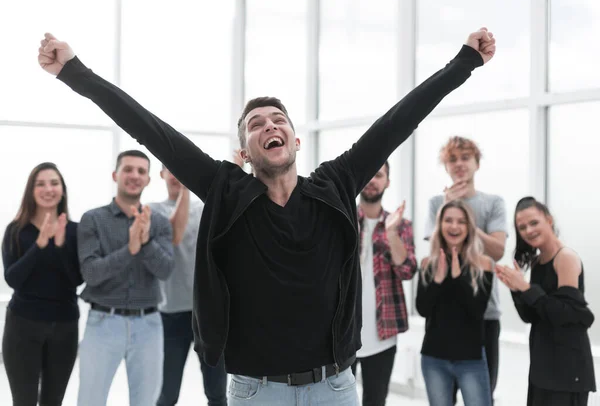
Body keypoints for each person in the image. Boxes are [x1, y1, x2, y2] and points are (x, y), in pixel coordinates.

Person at [37, 28, 496, 405]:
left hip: (334, 387)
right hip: (256, 391)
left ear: (295, 141)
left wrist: (464, 62)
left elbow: (399, 121)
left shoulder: (334, 183)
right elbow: (149, 127)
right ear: (245, 151)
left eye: (278, 119)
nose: (268, 125)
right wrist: (74, 71)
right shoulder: (225, 189)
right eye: (256, 123)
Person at [75, 150, 175, 406]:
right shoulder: (92, 219)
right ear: (115, 175)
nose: (134, 175)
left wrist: (145, 243)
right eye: (128, 169)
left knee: (145, 402)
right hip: (102, 324)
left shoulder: (160, 223)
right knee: (90, 401)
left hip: (149, 326)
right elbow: (91, 274)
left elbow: (165, 270)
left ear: (148, 180)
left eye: (141, 171)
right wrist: (130, 250)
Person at [424, 136, 506, 403]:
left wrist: (463, 216)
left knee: (483, 394)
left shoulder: (493, 202)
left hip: (484, 313)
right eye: (452, 159)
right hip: (443, 313)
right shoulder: (437, 203)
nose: (459, 164)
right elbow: (436, 252)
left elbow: (497, 250)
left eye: (465, 158)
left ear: (476, 163)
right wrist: (447, 208)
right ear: (445, 166)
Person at [496, 197, 595, 406]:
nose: (528, 230)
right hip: (543, 368)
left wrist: (526, 288)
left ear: (549, 220)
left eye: (534, 223)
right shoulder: (537, 262)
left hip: (567, 370)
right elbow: (532, 316)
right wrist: (516, 290)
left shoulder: (565, 257)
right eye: (522, 227)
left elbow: (570, 315)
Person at [2, 162, 82, 406]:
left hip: (64, 327)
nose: (48, 189)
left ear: (63, 190)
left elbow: (76, 280)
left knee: (53, 401)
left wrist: (58, 246)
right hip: (23, 327)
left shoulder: (75, 231)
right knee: (23, 400)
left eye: (54, 183)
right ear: (31, 191)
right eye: (41, 184)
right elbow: (13, 279)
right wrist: (40, 244)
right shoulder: (16, 231)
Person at [150, 165, 227, 406]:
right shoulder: (152, 211)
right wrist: (186, 186)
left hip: (207, 315)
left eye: (179, 169)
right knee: (167, 393)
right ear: (161, 174)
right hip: (170, 315)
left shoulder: (205, 208)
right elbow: (175, 233)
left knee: (217, 393)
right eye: (170, 169)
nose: (176, 174)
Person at [351, 161, 417, 406]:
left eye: (378, 175)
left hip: (383, 335)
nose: (372, 180)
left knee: (375, 401)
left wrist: (391, 234)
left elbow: (408, 269)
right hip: (342, 335)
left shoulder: (401, 225)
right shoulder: (342, 218)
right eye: (368, 173)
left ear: (387, 182)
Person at [417, 200, 494, 406]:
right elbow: (422, 309)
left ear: (469, 227)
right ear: (439, 225)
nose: (454, 226)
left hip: (471, 359)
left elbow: (477, 311)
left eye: (461, 222)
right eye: (448, 220)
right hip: (434, 359)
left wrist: (458, 277)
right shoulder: (428, 263)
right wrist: (438, 280)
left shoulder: (483, 264)